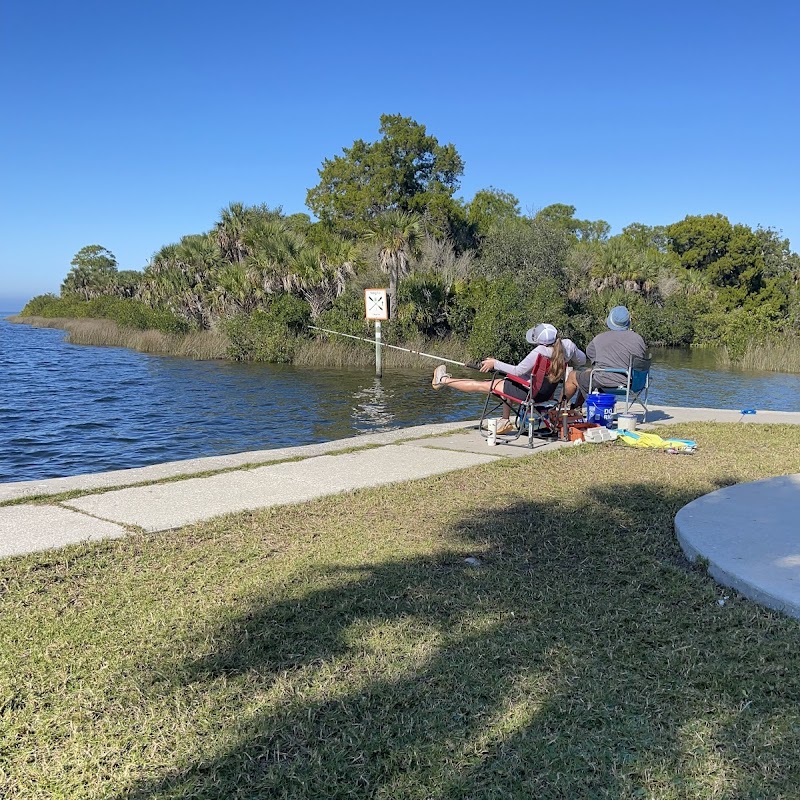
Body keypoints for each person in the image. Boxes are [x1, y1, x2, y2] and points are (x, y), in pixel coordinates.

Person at [431, 323, 587, 434]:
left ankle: (443, 380)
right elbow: (581, 360)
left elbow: (518, 370)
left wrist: (494, 363)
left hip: (529, 394)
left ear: (540, 341)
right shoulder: (568, 345)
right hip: (546, 394)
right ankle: (505, 420)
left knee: (484, 385)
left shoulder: (539, 351)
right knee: (507, 381)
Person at [562, 305, 647, 410]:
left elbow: (590, 353)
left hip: (603, 382)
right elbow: (641, 360)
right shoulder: (638, 339)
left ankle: (558, 408)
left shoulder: (599, 338)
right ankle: (577, 407)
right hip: (631, 383)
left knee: (572, 376)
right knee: (587, 374)